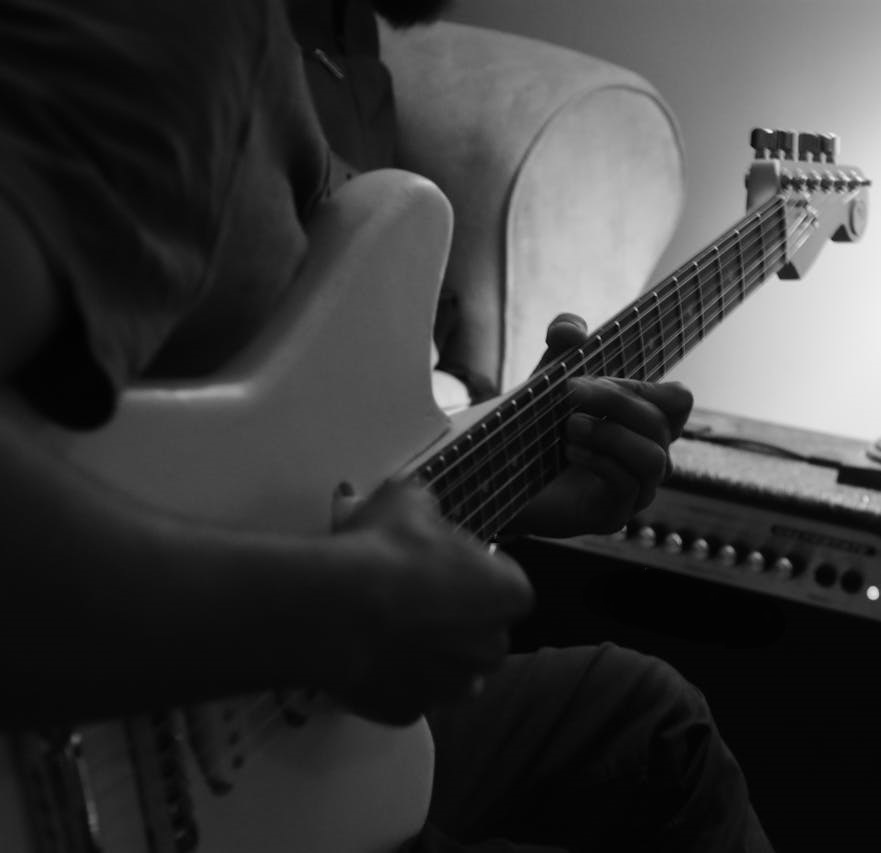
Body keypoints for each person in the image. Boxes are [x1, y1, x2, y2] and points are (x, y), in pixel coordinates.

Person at [0, 1, 774, 851]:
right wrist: (330, 611)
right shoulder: (159, 28)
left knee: (649, 727)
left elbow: (260, 421)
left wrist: (499, 469)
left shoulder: (283, 49)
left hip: (215, 734)